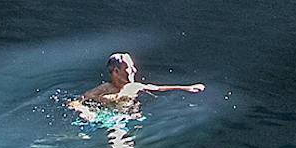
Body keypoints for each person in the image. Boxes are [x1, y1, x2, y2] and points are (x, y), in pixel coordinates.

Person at [69, 52, 206, 117]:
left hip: (127, 114)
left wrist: (186, 88)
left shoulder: (135, 86)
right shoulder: (104, 89)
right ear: (116, 72)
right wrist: (86, 112)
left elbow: (157, 88)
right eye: (128, 68)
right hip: (108, 116)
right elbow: (76, 102)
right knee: (117, 131)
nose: (135, 70)